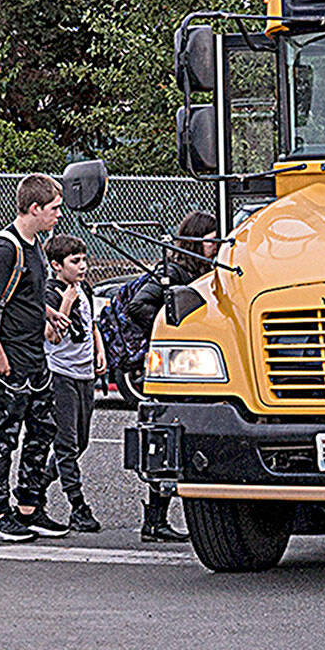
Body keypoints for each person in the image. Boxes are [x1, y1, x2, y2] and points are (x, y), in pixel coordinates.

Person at [0, 173, 69, 543]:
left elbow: (23, 293)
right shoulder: (5, 248)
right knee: (3, 436)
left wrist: (46, 312)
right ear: (35, 208)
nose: (59, 214)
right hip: (9, 358)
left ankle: (29, 506)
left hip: (35, 355)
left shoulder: (35, 245)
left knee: (43, 428)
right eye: (54, 208)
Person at [126, 209, 219, 543]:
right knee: (166, 443)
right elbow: (137, 306)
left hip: (198, 365)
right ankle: (154, 521)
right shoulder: (173, 271)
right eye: (210, 240)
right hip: (178, 365)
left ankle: (158, 521)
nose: (215, 246)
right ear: (195, 239)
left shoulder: (207, 270)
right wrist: (172, 330)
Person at [40, 234, 106, 533]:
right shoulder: (51, 294)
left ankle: (35, 486)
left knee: (80, 442)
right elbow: (52, 336)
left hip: (84, 374)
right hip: (61, 373)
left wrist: (99, 349)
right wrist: (65, 304)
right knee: (66, 444)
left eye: (84, 260)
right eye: (75, 261)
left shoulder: (85, 290)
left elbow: (91, 323)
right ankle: (78, 507)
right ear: (56, 265)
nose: (83, 267)